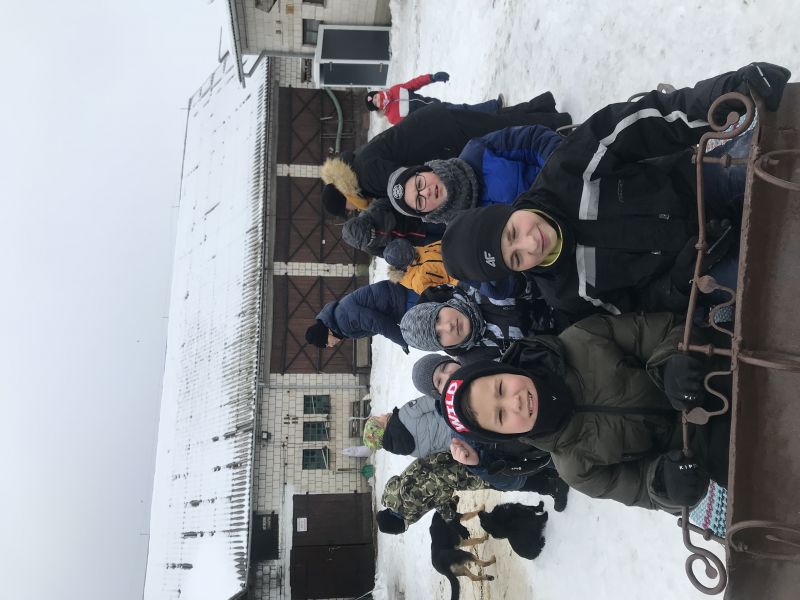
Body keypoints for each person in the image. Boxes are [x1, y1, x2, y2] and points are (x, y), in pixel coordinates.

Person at [441, 62, 791, 322]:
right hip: (700, 262)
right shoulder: (567, 293)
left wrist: (725, 94)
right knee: (771, 284)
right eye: (516, 258)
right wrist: (680, 282)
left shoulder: (566, 170)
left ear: (506, 211)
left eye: (512, 233)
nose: (531, 244)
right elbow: (639, 309)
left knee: (766, 166)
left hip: (696, 185)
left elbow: (648, 121)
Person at [438, 312, 732, 514]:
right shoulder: (575, 469)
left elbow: (662, 330)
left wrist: (671, 363)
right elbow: (642, 489)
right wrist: (665, 483)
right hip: (701, 449)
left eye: (501, 388)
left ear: (504, 369)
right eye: (501, 417)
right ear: (505, 435)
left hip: (712, 370)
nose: (513, 403)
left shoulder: (581, 339)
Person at [321, 93, 571, 210]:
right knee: (495, 122)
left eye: (346, 209)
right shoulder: (359, 165)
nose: (351, 210)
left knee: (501, 130)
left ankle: (559, 126)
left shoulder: (367, 176)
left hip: (440, 135)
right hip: (434, 124)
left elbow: (409, 182)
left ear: (345, 196)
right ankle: (544, 107)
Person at [386, 124, 562, 224]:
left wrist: (560, 170)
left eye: (419, 184)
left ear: (426, 171)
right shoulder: (466, 233)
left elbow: (534, 139)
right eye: (419, 201)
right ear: (425, 213)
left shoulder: (477, 151)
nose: (426, 192)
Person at [399, 283, 556, 360]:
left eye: (438, 318)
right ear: (443, 347)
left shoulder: (477, 282)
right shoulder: (476, 363)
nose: (448, 326)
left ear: (442, 306)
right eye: (439, 336)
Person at [377, 452, 489, 533]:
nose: (408, 525)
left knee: (493, 478)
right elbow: (433, 497)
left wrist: (475, 480)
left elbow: (440, 481)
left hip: (451, 468)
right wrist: (451, 519)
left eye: (405, 526)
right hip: (439, 459)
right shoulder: (394, 498)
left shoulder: (409, 502)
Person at [305, 280, 414, 352]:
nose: (331, 346)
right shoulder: (340, 324)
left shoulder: (343, 320)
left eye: (327, 343)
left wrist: (404, 339)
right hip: (395, 301)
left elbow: (377, 323)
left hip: (398, 299)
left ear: (328, 332)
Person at [366, 71, 504, 125]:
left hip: (435, 105)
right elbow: (412, 127)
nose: (378, 100)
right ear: (377, 108)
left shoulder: (394, 90)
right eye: (376, 102)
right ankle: (494, 109)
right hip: (433, 120)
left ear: (377, 92)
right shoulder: (392, 117)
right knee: (463, 113)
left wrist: (432, 78)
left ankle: (493, 112)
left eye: (375, 97)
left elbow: (414, 83)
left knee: (463, 111)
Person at [340, 197, 446, 258]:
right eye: (369, 239)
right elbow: (386, 254)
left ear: (365, 223)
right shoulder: (369, 247)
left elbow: (397, 202)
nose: (373, 236)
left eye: (370, 232)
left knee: (448, 228)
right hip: (418, 242)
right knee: (445, 244)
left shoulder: (375, 209)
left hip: (420, 222)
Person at [384, 239, 459, 295]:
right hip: (460, 278)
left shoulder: (417, 251)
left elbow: (439, 246)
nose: (414, 248)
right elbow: (445, 294)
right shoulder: (419, 284)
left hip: (459, 258)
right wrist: (459, 282)